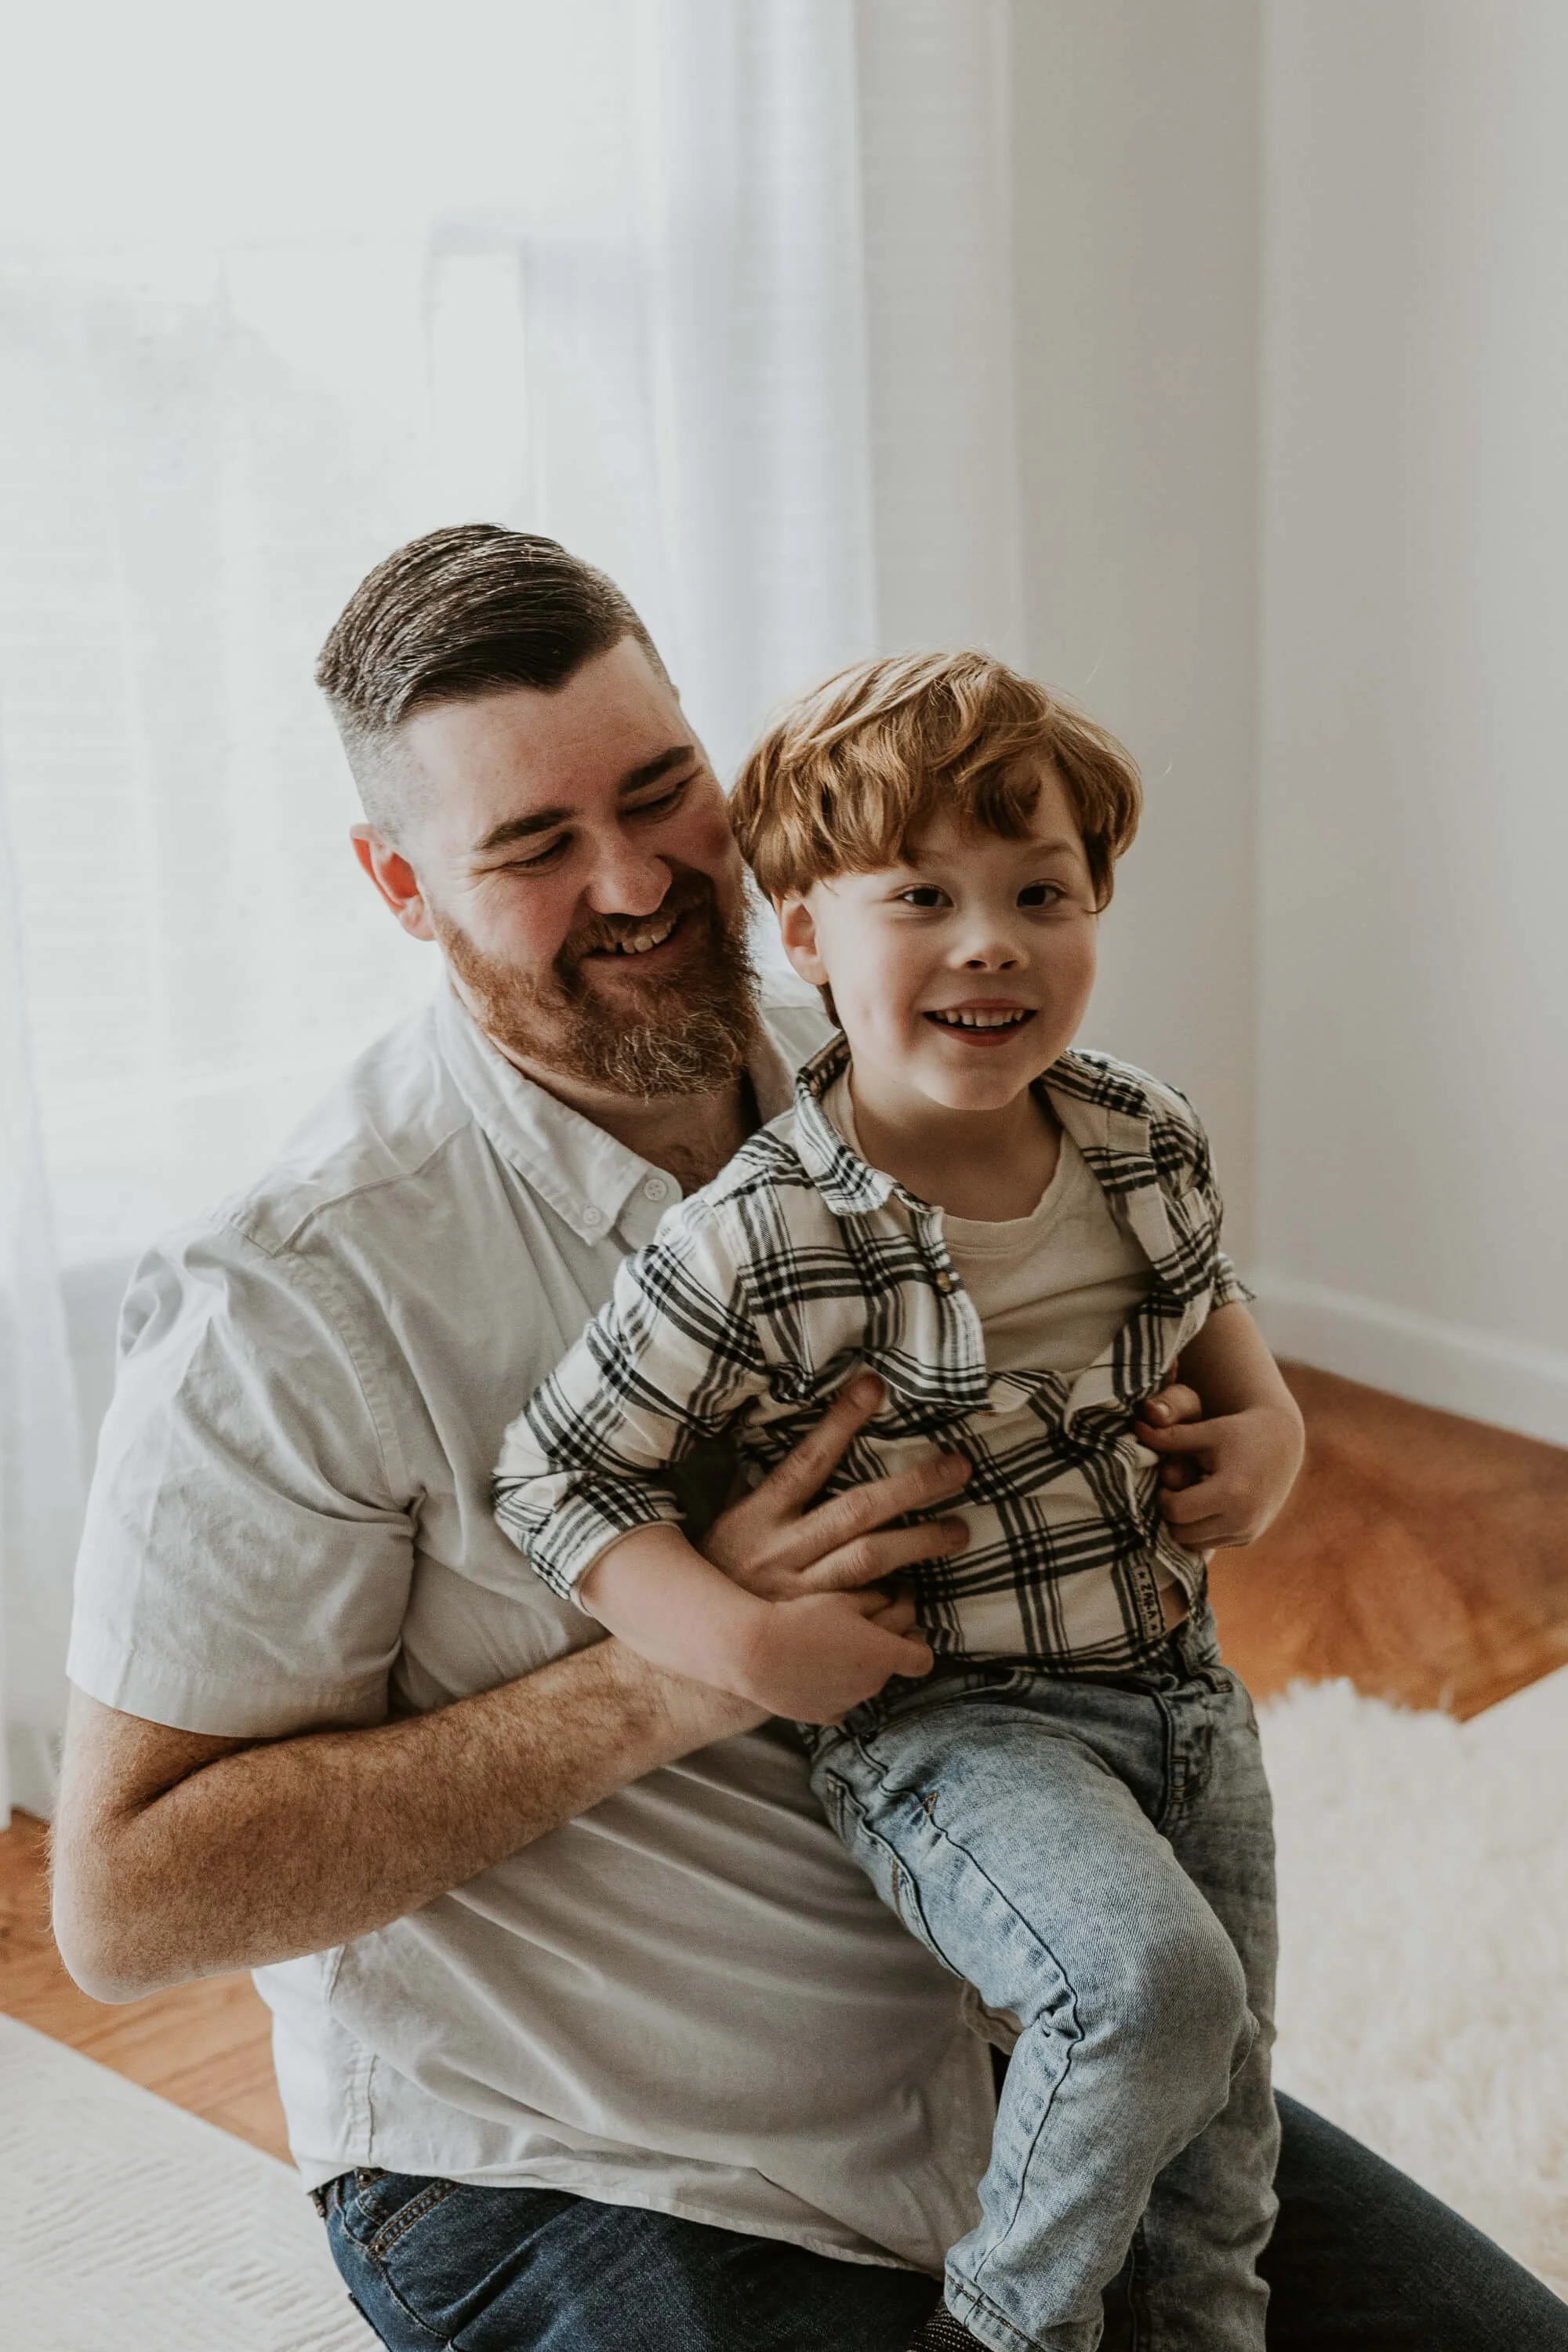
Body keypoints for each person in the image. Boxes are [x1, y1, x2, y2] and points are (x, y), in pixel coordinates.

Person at [49, 528, 1568, 2352]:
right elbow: (129, 1906)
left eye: (659, 791)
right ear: (400, 885)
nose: (632, 883)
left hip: (1036, 2032)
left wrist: (1252, 1427)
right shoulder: (294, 1291)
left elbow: (1163, 1273)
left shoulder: (898, 1045)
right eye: (531, 849)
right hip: (608, 2161)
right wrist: (677, 1675)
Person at [492, 652, 1297, 2350]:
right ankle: (1006, 2327)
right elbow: (555, 1474)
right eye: (920, 896)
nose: (990, 937)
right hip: (956, 1723)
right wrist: (738, 1644)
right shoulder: (763, 1230)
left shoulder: (1141, 1133)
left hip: (1185, 1692)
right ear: (803, 939)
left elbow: (1213, 1314)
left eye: (1040, 892)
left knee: (1222, 2122)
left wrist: (1272, 1432)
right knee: (1153, 1998)